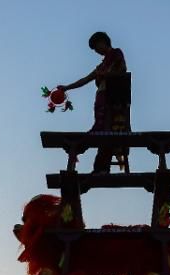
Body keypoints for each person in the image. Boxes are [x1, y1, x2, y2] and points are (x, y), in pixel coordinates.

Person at [58, 32, 131, 174]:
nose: (96, 51)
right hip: (102, 99)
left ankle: (98, 166)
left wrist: (106, 75)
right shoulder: (101, 66)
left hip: (113, 100)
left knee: (104, 131)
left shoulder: (116, 53)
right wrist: (66, 87)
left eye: (96, 46)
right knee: (101, 130)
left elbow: (123, 70)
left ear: (104, 41)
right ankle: (99, 166)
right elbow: (84, 80)